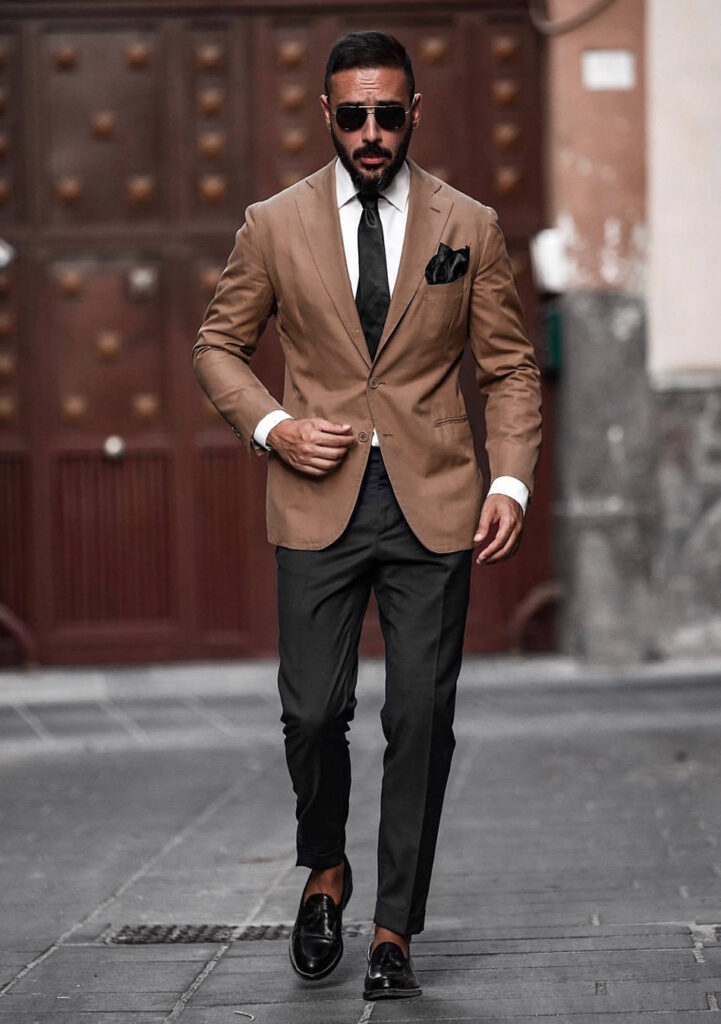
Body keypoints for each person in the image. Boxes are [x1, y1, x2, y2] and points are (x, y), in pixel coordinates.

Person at [193, 30, 542, 1001]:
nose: (373, 132)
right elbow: (218, 344)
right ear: (328, 116)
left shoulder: (467, 223)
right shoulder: (273, 224)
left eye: (390, 113)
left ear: (415, 113)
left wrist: (508, 480)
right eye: (355, 115)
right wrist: (271, 425)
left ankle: (393, 927)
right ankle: (326, 867)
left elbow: (508, 365)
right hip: (316, 497)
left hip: (435, 502)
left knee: (422, 717)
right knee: (311, 713)